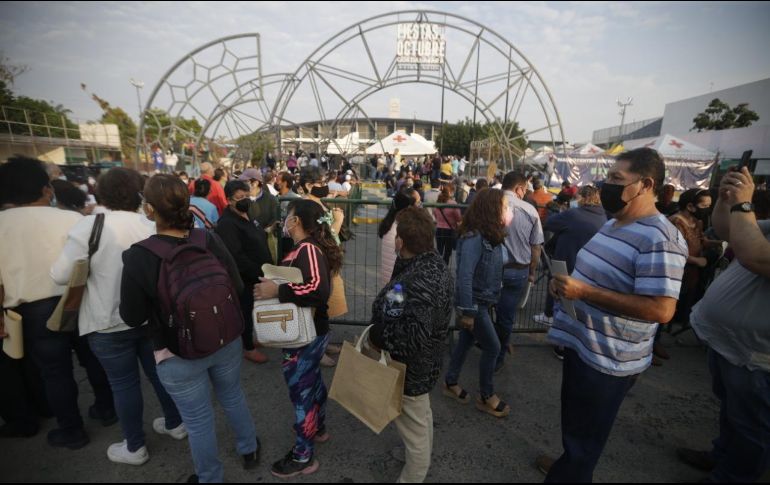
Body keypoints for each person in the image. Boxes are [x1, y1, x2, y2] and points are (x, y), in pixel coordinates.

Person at [538, 148, 688, 482]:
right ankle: (571, 465)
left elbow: (662, 310)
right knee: (576, 430)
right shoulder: (614, 223)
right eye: (608, 177)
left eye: (616, 179)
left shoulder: (660, 238)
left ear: (645, 184)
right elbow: (596, 277)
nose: (607, 185)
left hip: (609, 362)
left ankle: (572, 470)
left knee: (586, 439)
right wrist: (565, 287)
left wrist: (584, 292)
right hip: (584, 348)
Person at [120, 174, 260, 483]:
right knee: (233, 395)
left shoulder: (138, 256)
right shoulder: (206, 239)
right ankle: (249, 449)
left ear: (149, 210)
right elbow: (236, 285)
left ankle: (210, 478)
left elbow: (131, 316)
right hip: (225, 338)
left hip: (175, 350)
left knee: (198, 421)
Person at [50, 168, 185, 465]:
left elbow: (60, 275)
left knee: (123, 384)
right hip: (151, 317)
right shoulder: (150, 224)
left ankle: (135, 446)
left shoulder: (90, 226)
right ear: (140, 192)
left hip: (106, 320)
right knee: (159, 373)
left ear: (100, 192)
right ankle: (175, 423)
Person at [0, 157, 114, 448]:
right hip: (78, 299)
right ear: (46, 189)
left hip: (32, 310)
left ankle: (72, 430)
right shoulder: (72, 219)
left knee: (54, 372)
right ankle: (107, 409)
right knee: (91, 358)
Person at [678, 167, 770, 483]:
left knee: (752, 426)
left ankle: (733, 477)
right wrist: (725, 199)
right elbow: (729, 231)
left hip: (758, 358)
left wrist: (745, 205)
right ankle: (721, 457)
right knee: (733, 413)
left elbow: (754, 255)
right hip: (732, 346)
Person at [253, 199, 343, 478]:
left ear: (299, 221)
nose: (285, 221)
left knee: (301, 393)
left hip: (307, 335)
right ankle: (319, 428)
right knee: (312, 382)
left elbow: (317, 290)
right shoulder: (307, 248)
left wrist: (276, 292)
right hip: (308, 332)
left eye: (288, 216)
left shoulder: (308, 249)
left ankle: (303, 456)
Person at [368, 206, 454, 483]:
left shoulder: (415, 279)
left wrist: (378, 338)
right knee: (421, 415)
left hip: (410, 368)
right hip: (426, 362)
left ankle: (413, 475)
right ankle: (416, 456)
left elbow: (411, 335)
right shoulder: (433, 264)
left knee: (415, 430)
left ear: (401, 242)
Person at [444, 189, 512, 418]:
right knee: (492, 347)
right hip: (475, 303)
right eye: (504, 207)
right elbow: (464, 276)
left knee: (465, 341)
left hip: (483, 300)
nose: (508, 211)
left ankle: (450, 382)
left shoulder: (491, 235)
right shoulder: (474, 238)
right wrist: (469, 312)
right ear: (492, 209)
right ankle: (486, 395)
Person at [534, 185, 607, 358]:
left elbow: (550, 223)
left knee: (564, 306)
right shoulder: (603, 216)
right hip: (591, 269)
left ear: (582, 198)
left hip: (567, 264)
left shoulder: (574, 214)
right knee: (578, 307)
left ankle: (562, 345)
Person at [215, 180, 272, 365]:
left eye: (247, 196)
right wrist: (259, 273)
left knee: (254, 310)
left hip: (259, 273)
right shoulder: (227, 224)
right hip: (245, 277)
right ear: (229, 200)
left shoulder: (248, 214)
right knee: (245, 311)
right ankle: (247, 347)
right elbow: (236, 257)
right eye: (240, 198)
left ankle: (251, 339)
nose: (245, 200)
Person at [658, 188, 715, 363]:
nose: (707, 209)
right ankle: (653, 343)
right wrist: (698, 261)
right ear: (690, 206)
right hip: (675, 270)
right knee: (665, 305)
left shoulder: (696, 222)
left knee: (678, 304)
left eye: (709, 206)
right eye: (704, 205)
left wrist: (720, 244)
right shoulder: (676, 222)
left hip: (690, 274)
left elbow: (701, 240)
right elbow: (671, 249)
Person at [495, 172, 544, 370]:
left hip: (490, 269)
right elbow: (536, 247)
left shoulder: (488, 204)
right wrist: (532, 271)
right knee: (506, 316)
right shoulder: (530, 211)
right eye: (525, 190)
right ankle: (498, 354)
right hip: (518, 271)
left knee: (483, 310)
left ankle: (489, 342)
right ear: (519, 189)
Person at [379, 189, 420, 288]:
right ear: (409, 207)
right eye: (418, 202)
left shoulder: (391, 223)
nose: (420, 206)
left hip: (389, 281)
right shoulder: (402, 230)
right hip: (397, 285)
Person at [433, 184, 462, 265]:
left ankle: (438, 267)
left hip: (439, 229)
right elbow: (459, 218)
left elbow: (435, 214)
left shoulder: (438, 202)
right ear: (450, 192)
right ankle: (445, 268)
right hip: (450, 231)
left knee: (439, 251)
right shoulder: (453, 203)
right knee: (447, 253)